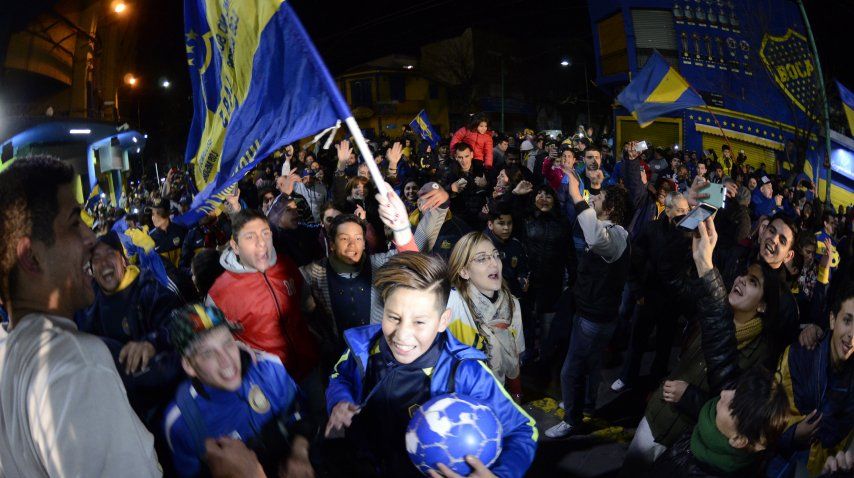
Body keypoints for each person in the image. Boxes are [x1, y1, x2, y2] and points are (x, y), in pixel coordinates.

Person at [0, 156, 160, 476]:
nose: (90, 238)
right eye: (75, 223)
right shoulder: (75, 363)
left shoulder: (7, 353)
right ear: (31, 256)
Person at [323, 253, 537, 477]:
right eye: (394, 317)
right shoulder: (364, 348)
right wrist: (340, 401)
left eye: (419, 322)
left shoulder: (466, 372)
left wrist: (502, 474)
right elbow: (340, 377)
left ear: (443, 320)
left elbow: (523, 429)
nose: (402, 335)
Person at [624, 216, 780, 468]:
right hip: (655, 418)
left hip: (687, 442)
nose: (740, 281)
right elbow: (670, 275)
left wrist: (689, 397)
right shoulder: (709, 310)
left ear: (762, 305)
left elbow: (735, 412)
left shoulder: (760, 356)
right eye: (743, 276)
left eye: (753, 283)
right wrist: (687, 232)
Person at [299, 182, 447, 366]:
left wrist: (440, 206)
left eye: (358, 238)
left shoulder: (379, 264)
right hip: (338, 361)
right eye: (345, 239)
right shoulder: (312, 273)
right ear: (332, 244)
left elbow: (417, 247)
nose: (353, 245)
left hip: (379, 358)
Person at [163, 304, 314, 478]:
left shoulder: (270, 369)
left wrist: (300, 451)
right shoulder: (182, 422)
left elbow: (301, 411)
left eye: (227, 343)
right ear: (189, 366)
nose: (226, 361)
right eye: (207, 353)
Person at [546, 172, 631, 438]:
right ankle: (585, 406)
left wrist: (574, 194)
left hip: (594, 318)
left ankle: (571, 420)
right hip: (593, 313)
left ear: (612, 208)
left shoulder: (615, 235)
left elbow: (594, 239)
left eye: (599, 197)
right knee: (591, 366)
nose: (593, 198)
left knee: (571, 371)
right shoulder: (608, 230)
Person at [78, 231, 184, 421]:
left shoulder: (148, 290)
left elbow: (178, 323)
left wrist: (151, 343)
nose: (103, 263)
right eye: (96, 258)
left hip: (163, 405)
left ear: (123, 259)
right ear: (91, 269)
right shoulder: (88, 303)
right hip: (119, 410)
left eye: (110, 254)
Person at [206, 209, 319, 383]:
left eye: (266, 233)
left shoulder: (286, 264)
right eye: (250, 237)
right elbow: (217, 346)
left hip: (309, 367)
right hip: (269, 383)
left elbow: (307, 305)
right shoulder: (218, 294)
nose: (261, 243)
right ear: (235, 246)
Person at [769, 286, 854, 477]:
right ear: (833, 319)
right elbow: (766, 417)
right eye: (847, 321)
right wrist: (792, 435)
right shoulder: (799, 356)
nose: (852, 335)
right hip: (774, 462)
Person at [446, 232, 525, 401]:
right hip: (463, 399)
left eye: (496, 255)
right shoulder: (453, 304)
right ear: (464, 271)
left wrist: (515, 395)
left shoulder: (512, 305)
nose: (494, 263)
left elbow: (515, 356)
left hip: (499, 395)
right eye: (482, 259)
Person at [150, 203, 188, 268]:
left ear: (166, 214)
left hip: (183, 274)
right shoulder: (150, 237)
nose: (153, 218)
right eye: (152, 214)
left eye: (157, 213)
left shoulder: (181, 230)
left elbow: (188, 255)